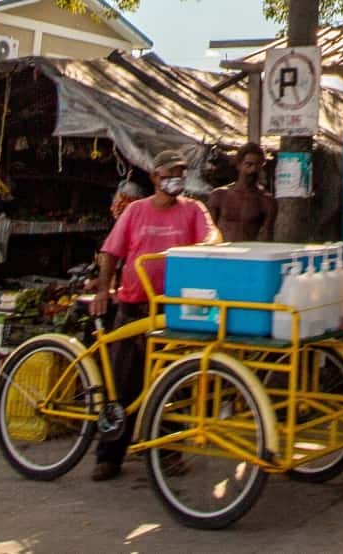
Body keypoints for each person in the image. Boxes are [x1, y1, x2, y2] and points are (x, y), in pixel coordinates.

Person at [88, 148, 219, 481]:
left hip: (172, 311)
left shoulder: (193, 210)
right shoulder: (135, 212)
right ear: (154, 177)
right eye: (169, 174)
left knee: (172, 384)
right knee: (123, 385)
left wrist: (208, 246)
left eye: (180, 173)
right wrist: (104, 290)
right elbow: (110, 253)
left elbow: (212, 236)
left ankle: (167, 454)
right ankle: (109, 456)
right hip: (133, 307)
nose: (175, 180)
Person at [206, 144, 276, 242]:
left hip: (249, 254)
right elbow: (209, 232)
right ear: (239, 165)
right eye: (249, 164)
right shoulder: (219, 195)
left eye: (258, 165)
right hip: (222, 253)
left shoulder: (266, 200)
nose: (253, 170)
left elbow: (266, 235)